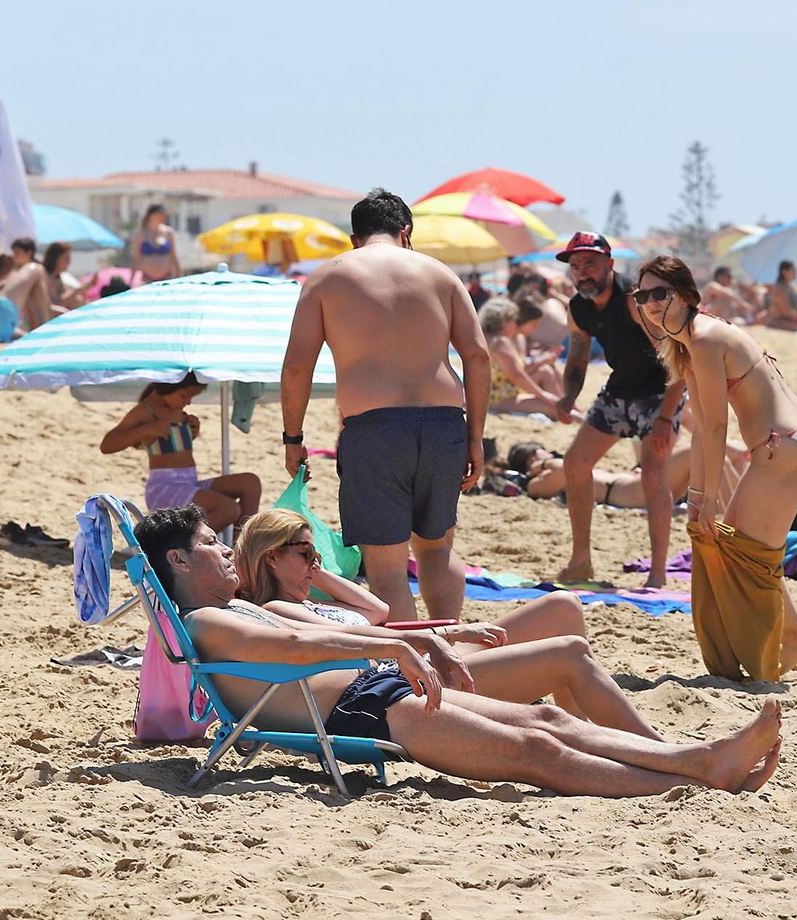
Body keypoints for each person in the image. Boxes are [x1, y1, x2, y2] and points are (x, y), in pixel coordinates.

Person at [137, 505, 782, 796]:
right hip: (362, 715)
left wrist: (419, 640)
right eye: (208, 544)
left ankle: (696, 760)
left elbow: (349, 630)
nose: (224, 550)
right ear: (177, 560)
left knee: (550, 720)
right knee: (534, 752)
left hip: (374, 695)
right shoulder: (206, 622)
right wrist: (399, 651)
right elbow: (303, 643)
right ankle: (695, 772)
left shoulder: (235, 607)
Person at [233, 509, 663, 739]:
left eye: (315, 555)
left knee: (562, 607)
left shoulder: (306, 600)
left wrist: (312, 567)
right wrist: (446, 634)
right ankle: (655, 749)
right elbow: (363, 637)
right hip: (414, 688)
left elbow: (377, 610)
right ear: (271, 557)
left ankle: (588, 728)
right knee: (569, 652)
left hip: (420, 665)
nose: (314, 565)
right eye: (304, 555)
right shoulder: (277, 610)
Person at [281, 188, 490, 624]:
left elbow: (297, 367)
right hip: (444, 424)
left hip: (374, 429)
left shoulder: (327, 277)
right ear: (405, 233)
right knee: (438, 549)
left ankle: (416, 665)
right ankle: (451, 647)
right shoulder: (441, 275)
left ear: (354, 239)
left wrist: (293, 438)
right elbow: (478, 357)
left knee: (388, 568)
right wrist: (475, 438)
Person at [634, 255, 797, 681]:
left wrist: (709, 502)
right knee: (737, 550)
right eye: (642, 295)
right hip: (792, 446)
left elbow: (718, 427)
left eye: (659, 293)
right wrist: (699, 499)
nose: (649, 303)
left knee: (740, 553)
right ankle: (792, 635)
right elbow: (702, 428)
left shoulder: (702, 339)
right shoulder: (692, 343)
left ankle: (789, 639)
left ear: (684, 296)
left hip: (784, 450)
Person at [552, 232, 684, 585]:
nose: (583, 273)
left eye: (591, 264)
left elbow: (678, 358)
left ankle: (658, 574)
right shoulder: (579, 306)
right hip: (619, 390)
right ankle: (581, 561)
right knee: (575, 463)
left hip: (660, 392)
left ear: (609, 264)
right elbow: (577, 360)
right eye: (576, 267)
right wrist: (568, 397)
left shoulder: (635, 300)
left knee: (653, 472)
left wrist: (666, 417)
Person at [99, 372, 262, 527]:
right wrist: (143, 430)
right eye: (185, 396)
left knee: (250, 483)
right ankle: (181, 543)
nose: (188, 402)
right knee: (228, 509)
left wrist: (191, 432)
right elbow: (107, 445)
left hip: (188, 483)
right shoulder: (144, 411)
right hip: (165, 488)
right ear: (167, 387)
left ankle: (241, 548)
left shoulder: (177, 410)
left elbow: (175, 449)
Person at [506, 436, 749, 508]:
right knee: (697, 446)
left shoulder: (553, 471)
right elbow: (564, 468)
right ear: (529, 460)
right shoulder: (536, 484)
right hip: (626, 493)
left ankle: (744, 502)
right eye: (539, 453)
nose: (546, 454)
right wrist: (543, 465)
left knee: (717, 459)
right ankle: (739, 508)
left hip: (633, 486)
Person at [478, 297, 565, 418]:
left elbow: (517, 371)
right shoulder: (502, 342)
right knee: (546, 373)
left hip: (502, 391)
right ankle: (568, 409)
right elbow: (517, 374)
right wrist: (543, 394)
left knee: (547, 370)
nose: (535, 329)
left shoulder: (491, 339)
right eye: (534, 324)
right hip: (501, 394)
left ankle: (569, 407)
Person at [129, 204, 179, 284]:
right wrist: (131, 280)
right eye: (160, 214)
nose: (163, 217)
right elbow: (136, 258)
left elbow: (173, 256)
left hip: (167, 277)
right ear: (151, 215)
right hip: (147, 279)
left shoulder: (168, 232)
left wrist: (178, 276)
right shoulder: (141, 234)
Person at [761, 261, 797, 332]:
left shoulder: (788, 287)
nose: (796, 273)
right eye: (793, 270)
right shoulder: (779, 289)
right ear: (784, 272)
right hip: (781, 323)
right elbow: (788, 313)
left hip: (791, 320)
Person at [41, 242, 91, 310]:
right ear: (56, 258)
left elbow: (68, 297)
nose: (69, 262)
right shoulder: (44, 277)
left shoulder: (57, 278)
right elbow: (57, 304)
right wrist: (78, 290)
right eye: (66, 258)